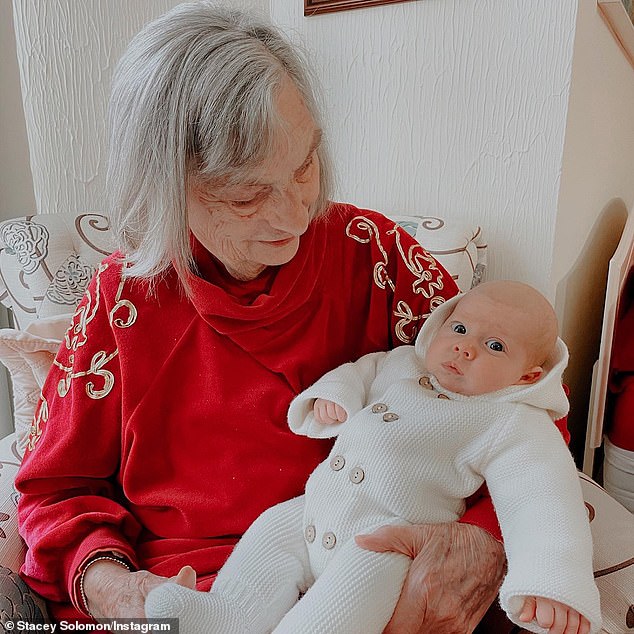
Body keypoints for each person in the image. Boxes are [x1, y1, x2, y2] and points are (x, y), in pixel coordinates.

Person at [16, 2, 527, 630]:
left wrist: (479, 539)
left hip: (375, 577)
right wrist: (116, 590)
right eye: (247, 194)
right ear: (166, 189)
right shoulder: (125, 300)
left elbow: (521, 407)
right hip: (200, 593)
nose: (292, 216)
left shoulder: (377, 256)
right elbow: (55, 490)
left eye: (304, 165)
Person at [145, 281, 601, 634]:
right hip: (311, 511)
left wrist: (552, 580)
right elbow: (358, 374)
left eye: (494, 346)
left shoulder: (510, 420)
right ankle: (224, 616)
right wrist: (334, 398)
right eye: (459, 329)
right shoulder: (403, 364)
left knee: (334, 616)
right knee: (266, 540)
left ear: (528, 375)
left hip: (383, 545)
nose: (466, 347)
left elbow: (543, 498)